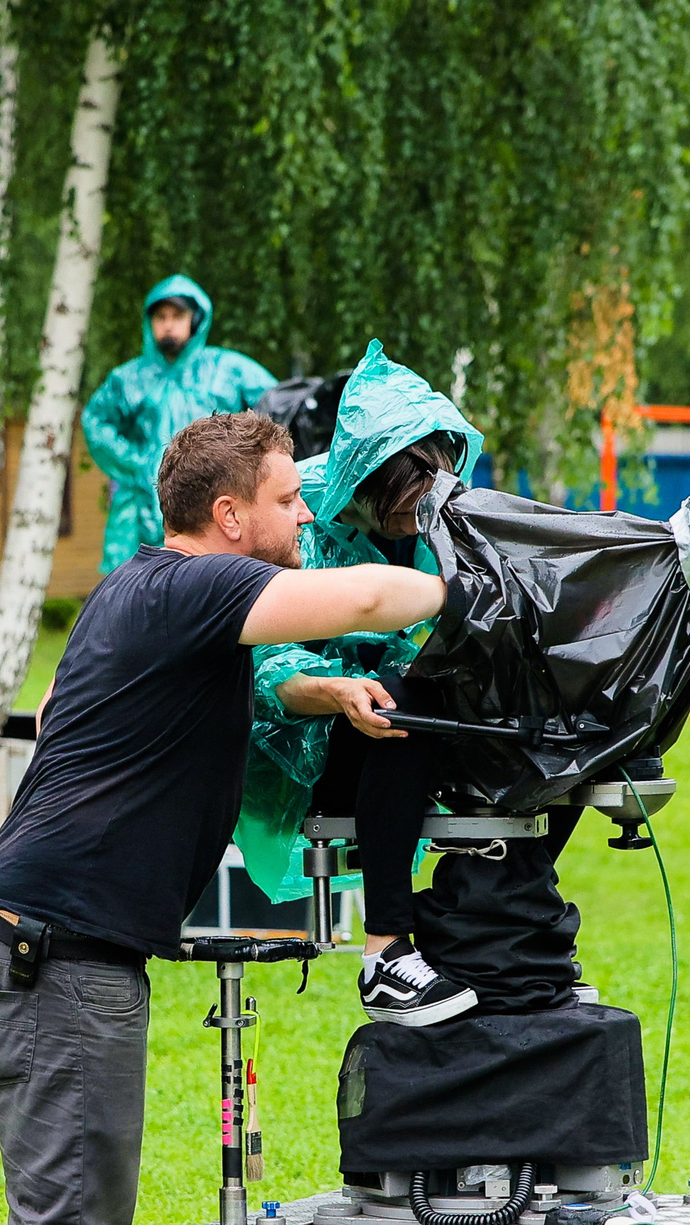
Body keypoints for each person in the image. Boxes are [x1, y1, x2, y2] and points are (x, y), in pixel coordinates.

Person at [0, 411, 445, 1225]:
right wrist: (465, 578)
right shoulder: (199, 586)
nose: (305, 514)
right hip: (54, 933)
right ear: (227, 516)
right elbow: (368, 598)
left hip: (68, 930)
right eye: (285, 499)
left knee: (89, 1174)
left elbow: (87, 705)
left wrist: (327, 691)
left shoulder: (148, 589)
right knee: (66, 1182)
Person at [234, 341, 485, 1024]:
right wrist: (341, 692)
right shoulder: (288, 514)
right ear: (363, 484)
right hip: (288, 747)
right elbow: (262, 672)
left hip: (389, 719)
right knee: (405, 702)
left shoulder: (439, 519)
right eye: (401, 511)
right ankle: (385, 954)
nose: (415, 523)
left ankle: (507, 937)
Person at [79, 274, 276, 575]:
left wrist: (246, 465)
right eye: (161, 317)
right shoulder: (129, 378)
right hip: (140, 507)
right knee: (134, 587)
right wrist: (136, 464)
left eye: (178, 315)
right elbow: (95, 420)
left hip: (215, 495)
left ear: (195, 320)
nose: (168, 324)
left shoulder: (226, 370)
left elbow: (276, 405)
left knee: (213, 582)